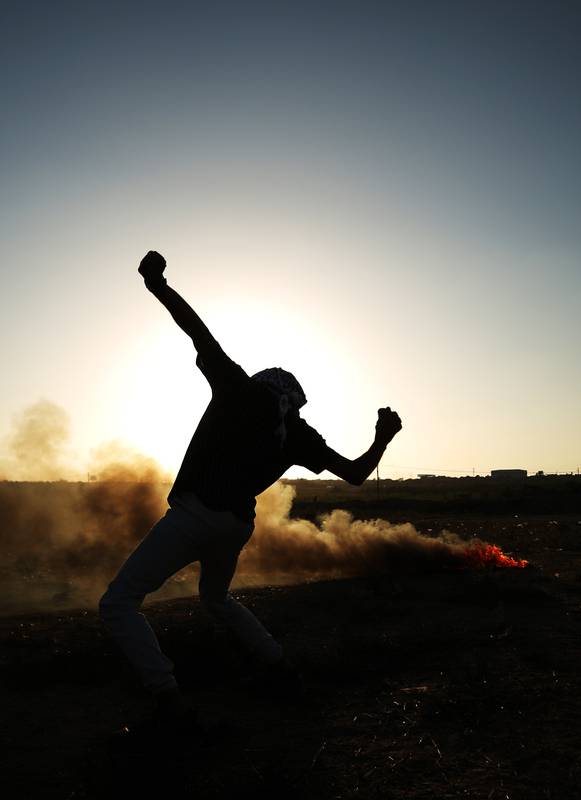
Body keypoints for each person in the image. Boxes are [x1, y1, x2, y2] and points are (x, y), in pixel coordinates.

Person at [99, 250, 403, 731]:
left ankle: (168, 699)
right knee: (216, 599)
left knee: (118, 603)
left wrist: (155, 283)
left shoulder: (238, 390)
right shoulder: (300, 433)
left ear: (264, 384)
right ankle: (280, 668)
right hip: (237, 526)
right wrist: (382, 438)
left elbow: (196, 330)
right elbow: (356, 474)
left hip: (195, 515)